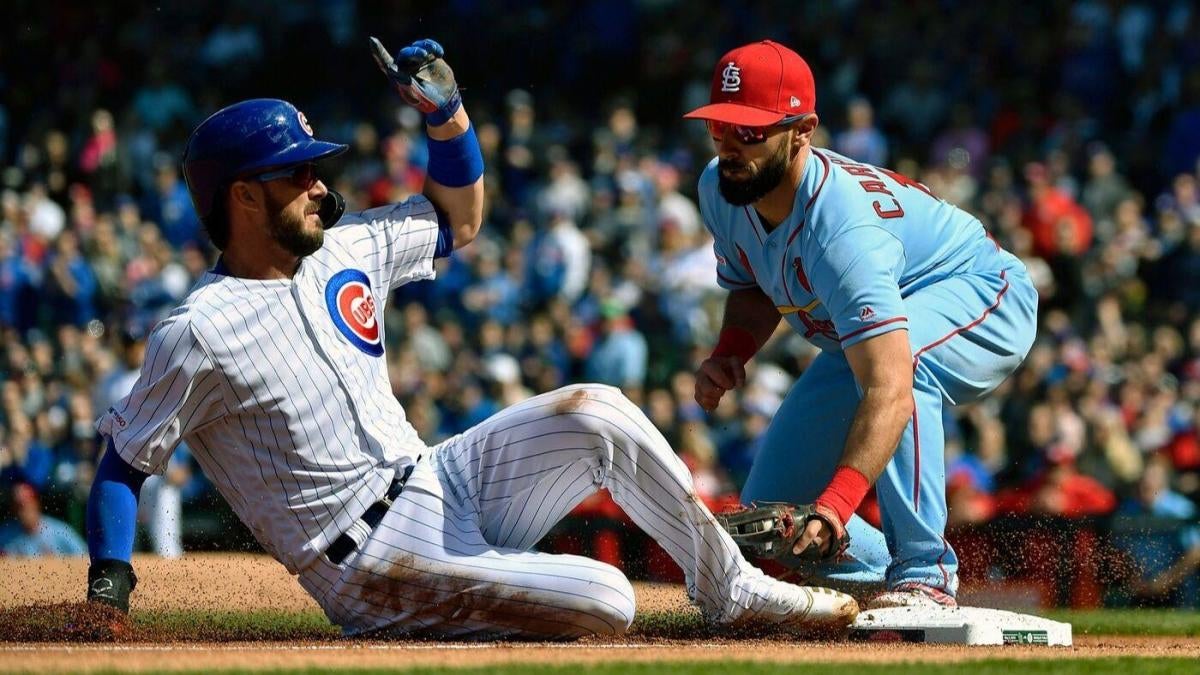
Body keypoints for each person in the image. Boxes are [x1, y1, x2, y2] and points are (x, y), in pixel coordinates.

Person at [83, 37, 857, 639]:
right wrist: (109, 588)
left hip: (436, 476)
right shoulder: (198, 329)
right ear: (244, 197)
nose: (320, 184)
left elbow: (461, 218)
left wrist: (447, 117)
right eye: (298, 175)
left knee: (600, 408)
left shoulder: (347, 248)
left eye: (316, 169)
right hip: (367, 564)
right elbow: (124, 462)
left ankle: (731, 588)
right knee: (608, 597)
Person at [685, 40, 1038, 608]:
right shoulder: (719, 188)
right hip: (888, 317)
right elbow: (754, 282)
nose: (730, 145)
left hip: (982, 291)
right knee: (772, 516)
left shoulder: (843, 233)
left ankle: (925, 571)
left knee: (906, 366)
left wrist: (837, 504)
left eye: (750, 131)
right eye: (720, 126)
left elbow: (890, 389)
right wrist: (732, 348)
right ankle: (885, 574)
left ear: (802, 130)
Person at [0, 482, 87, 557]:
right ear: (13, 509)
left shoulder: (59, 531)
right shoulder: (6, 534)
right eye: (18, 505)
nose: (23, 510)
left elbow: (84, 556)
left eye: (26, 503)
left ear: (36, 503)